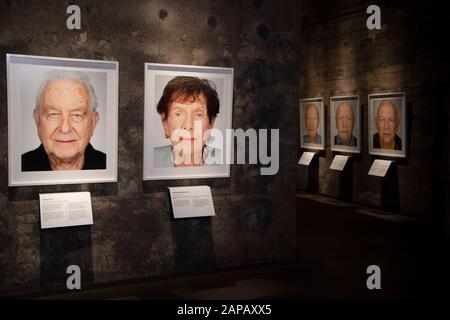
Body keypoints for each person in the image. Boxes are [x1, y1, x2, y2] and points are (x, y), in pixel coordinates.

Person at [21, 71, 106, 171]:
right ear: (37, 119)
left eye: (76, 115)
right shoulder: (20, 167)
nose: (65, 129)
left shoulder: (109, 166)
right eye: (53, 114)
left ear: (93, 122)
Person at [153, 76, 221, 167]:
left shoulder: (227, 163)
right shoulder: (147, 161)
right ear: (164, 123)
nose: (188, 125)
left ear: (211, 123)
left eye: (198, 114)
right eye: (178, 114)